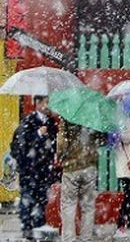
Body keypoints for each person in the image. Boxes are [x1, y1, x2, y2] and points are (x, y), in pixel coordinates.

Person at [10, 96, 59, 240]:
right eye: (44, 102)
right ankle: (27, 230)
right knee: (27, 200)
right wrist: (38, 134)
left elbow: (53, 144)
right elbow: (23, 143)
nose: (47, 105)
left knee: (41, 201)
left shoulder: (50, 122)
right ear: (37, 103)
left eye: (48, 102)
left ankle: (39, 229)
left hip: (44, 170)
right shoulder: (28, 120)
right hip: (29, 170)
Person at [56, 122, 101, 242]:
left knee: (68, 205)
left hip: (71, 168)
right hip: (89, 167)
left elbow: (61, 144)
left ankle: (69, 239)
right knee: (88, 206)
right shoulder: (93, 117)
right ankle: (86, 238)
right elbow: (101, 140)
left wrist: (61, 156)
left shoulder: (67, 117)